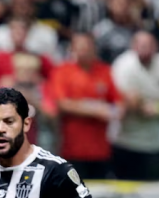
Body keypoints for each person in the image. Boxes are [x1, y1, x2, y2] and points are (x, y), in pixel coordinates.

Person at [110, 31, 159, 180]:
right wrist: (145, 104)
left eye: (149, 45)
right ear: (133, 46)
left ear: (156, 47)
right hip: (125, 141)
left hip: (155, 143)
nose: (145, 49)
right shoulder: (123, 65)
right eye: (141, 45)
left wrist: (158, 108)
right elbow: (128, 102)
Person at [48, 32, 120, 180]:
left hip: (101, 149)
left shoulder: (105, 71)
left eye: (87, 46)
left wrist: (114, 111)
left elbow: (118, 102)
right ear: (72, 49)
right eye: (79, 47)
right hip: (72, 149)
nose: (83, 50)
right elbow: (62, 104)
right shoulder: (62, 71)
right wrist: (96, 108)